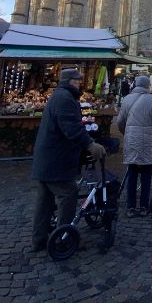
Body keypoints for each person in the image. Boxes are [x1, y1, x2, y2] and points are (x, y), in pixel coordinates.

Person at [31, 68, 106, 251]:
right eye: (78, 80)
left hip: (46, 159)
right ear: (69, 81)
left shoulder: (59, 96)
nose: (80, 82)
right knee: (68, 194)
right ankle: (63, 239)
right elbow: (72, 128)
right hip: (56, 158)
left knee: (45, 201)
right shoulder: (65, 99)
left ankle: (39, 239)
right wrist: (90, 145)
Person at [117, 75, 152, 217]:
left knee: (132, 173)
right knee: (146, 175)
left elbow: (120, 121)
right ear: (147, 85)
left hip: (131, 139)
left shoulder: (127, 99)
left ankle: (130, 207)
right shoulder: (151, 99)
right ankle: (143, 207)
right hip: (148, 141)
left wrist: (127, 132)